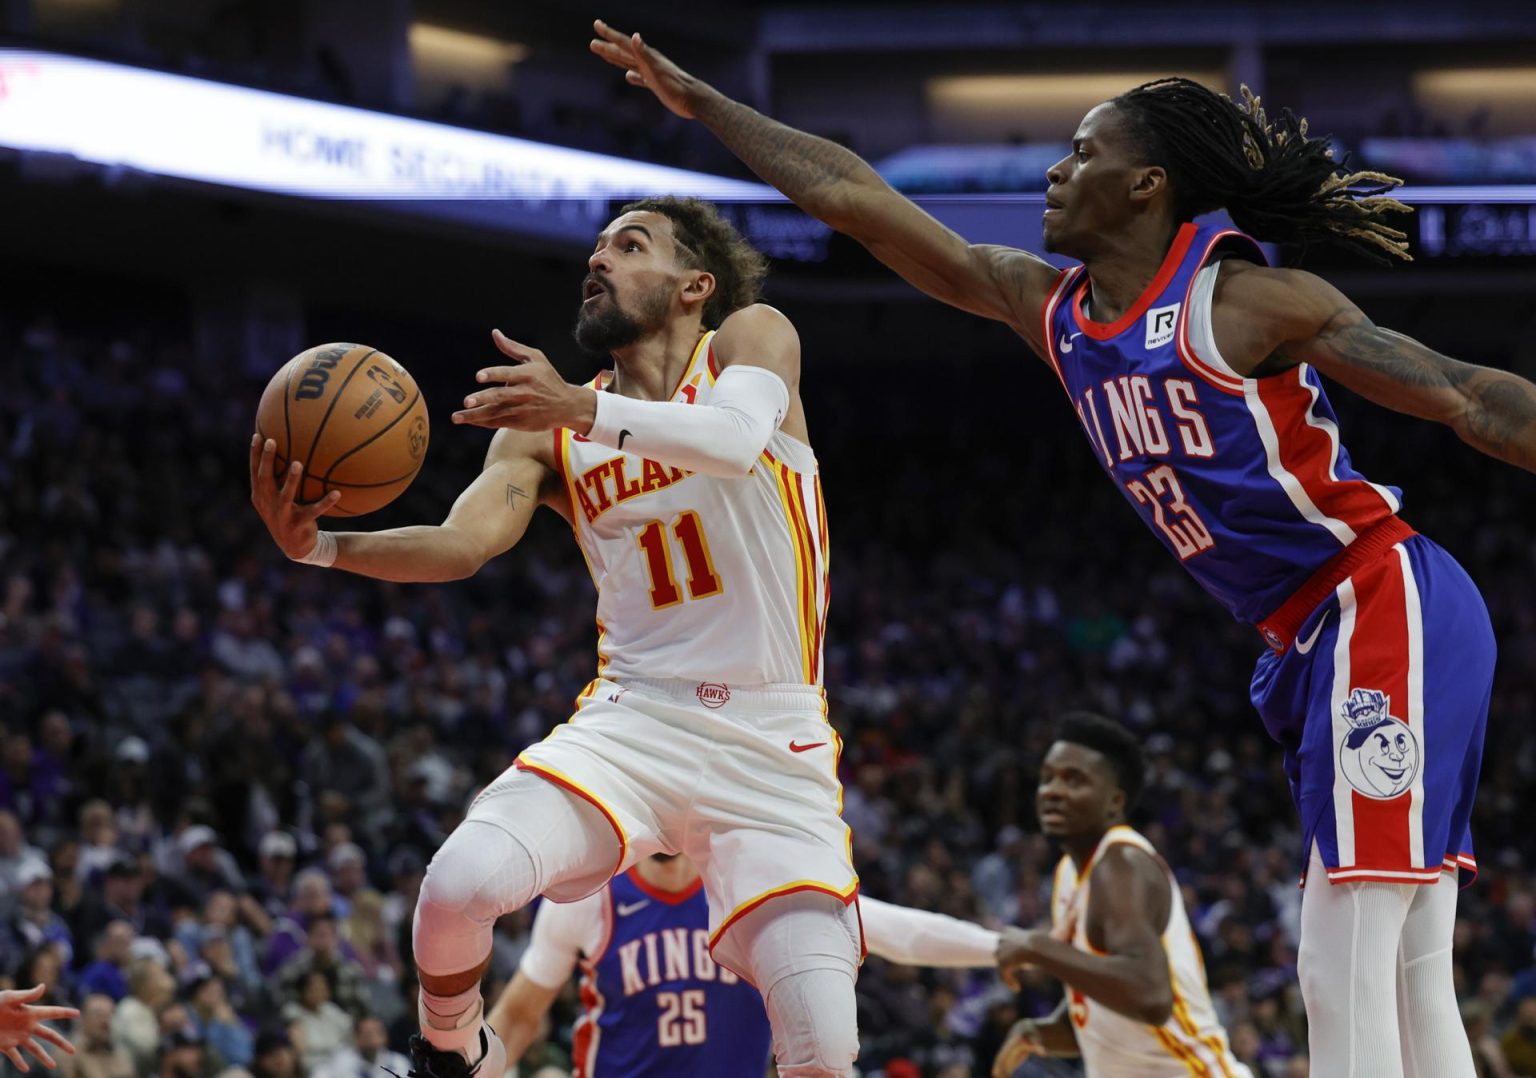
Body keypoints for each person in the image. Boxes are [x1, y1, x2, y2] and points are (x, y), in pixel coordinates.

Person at [591, 22, 1536, 1077]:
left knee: (1348, 957)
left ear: (1148, 185)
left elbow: (1466, 396)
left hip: (1378, 595)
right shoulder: (1053, 312)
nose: (1055, 167)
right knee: (1403, 966)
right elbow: (855, 199)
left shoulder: (1244, 304)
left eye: (1084, 151)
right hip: (1305, 633)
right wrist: (709, 106)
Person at [251, 196, 858, 1077]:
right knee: (457, 886)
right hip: (635, 719)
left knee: (824, 1054)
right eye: (597, 246)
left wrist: (578, 407)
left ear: (697, 284)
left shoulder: (750, 340)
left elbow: (730, 441)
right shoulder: (552, 430)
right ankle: (451, 1054)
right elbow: (462, 545)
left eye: (629, 244)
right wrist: (323, 547)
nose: (599, 260)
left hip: (774, 739)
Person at [488, 853, 1000, 1076]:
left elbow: (890, 930)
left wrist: (1000, 949)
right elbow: (518, 1015)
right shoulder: (587, 893)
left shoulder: (751, 887)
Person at [988, 714, 1248, 1076]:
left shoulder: (1120, 863)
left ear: (1114, 802)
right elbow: (1109, 1008)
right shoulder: (1069, 872)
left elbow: (1151, 996)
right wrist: (1042, 1031)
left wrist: (1038, 948)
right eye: (1047, 777)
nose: (1052, 790)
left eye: (1074, 780)